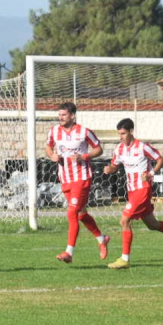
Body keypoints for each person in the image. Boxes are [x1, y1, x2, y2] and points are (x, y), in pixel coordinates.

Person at [103, 118, 163, 269]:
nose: (121, 137)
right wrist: (109, 169)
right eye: (119, 134)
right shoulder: (119, 149)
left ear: (131, 132)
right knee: (152, 224)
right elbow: (115, 166)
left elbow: (160, 160)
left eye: (123, 133)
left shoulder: (142, 147)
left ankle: (125, 259)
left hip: (143, 189)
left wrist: (151, 173)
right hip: (131, 190)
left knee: (124, 221)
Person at [46, 101, 110, 264]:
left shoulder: (84, 132)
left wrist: (85, 156)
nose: (60, 118)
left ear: (73, 115)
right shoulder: (54, 131)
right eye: (59, 115)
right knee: (81, 214)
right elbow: (48, 147)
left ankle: (69, 252)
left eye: (64, 115)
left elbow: (98, 149)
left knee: (71, 212)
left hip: (81, 178)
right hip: (65, 178)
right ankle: (102, 239)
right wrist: (52, 155)